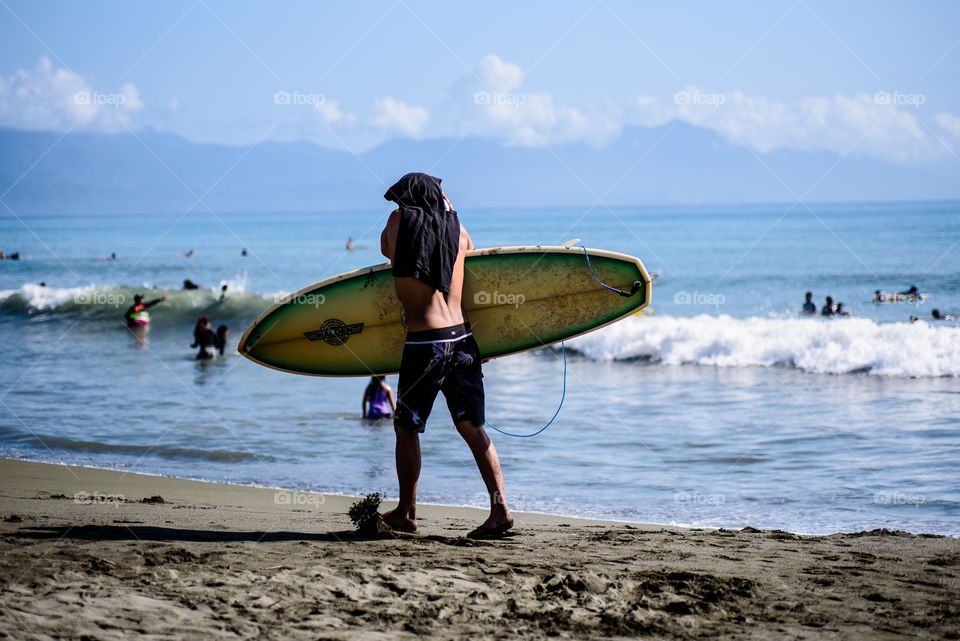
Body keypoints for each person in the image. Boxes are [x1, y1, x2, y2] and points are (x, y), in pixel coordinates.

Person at [379, 172, 512, 539]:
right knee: (472, 427)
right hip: (464, 338)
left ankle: (406, 511)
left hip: (426, 342)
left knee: (406, 426)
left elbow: (385, 249)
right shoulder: (461, 232)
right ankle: (500, 509)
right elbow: (472, 269)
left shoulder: (399, 220)